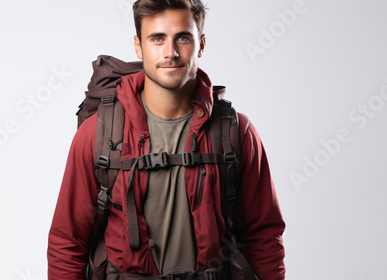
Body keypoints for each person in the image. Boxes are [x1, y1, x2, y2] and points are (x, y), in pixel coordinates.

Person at [48, 0, 285, 279]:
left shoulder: (236, 132)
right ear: (138, 45)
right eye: (157, 38)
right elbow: (68, 241)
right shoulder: (98, 132)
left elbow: (263, 236)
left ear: (201, 44)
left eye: (183, 38)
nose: (170, 52)